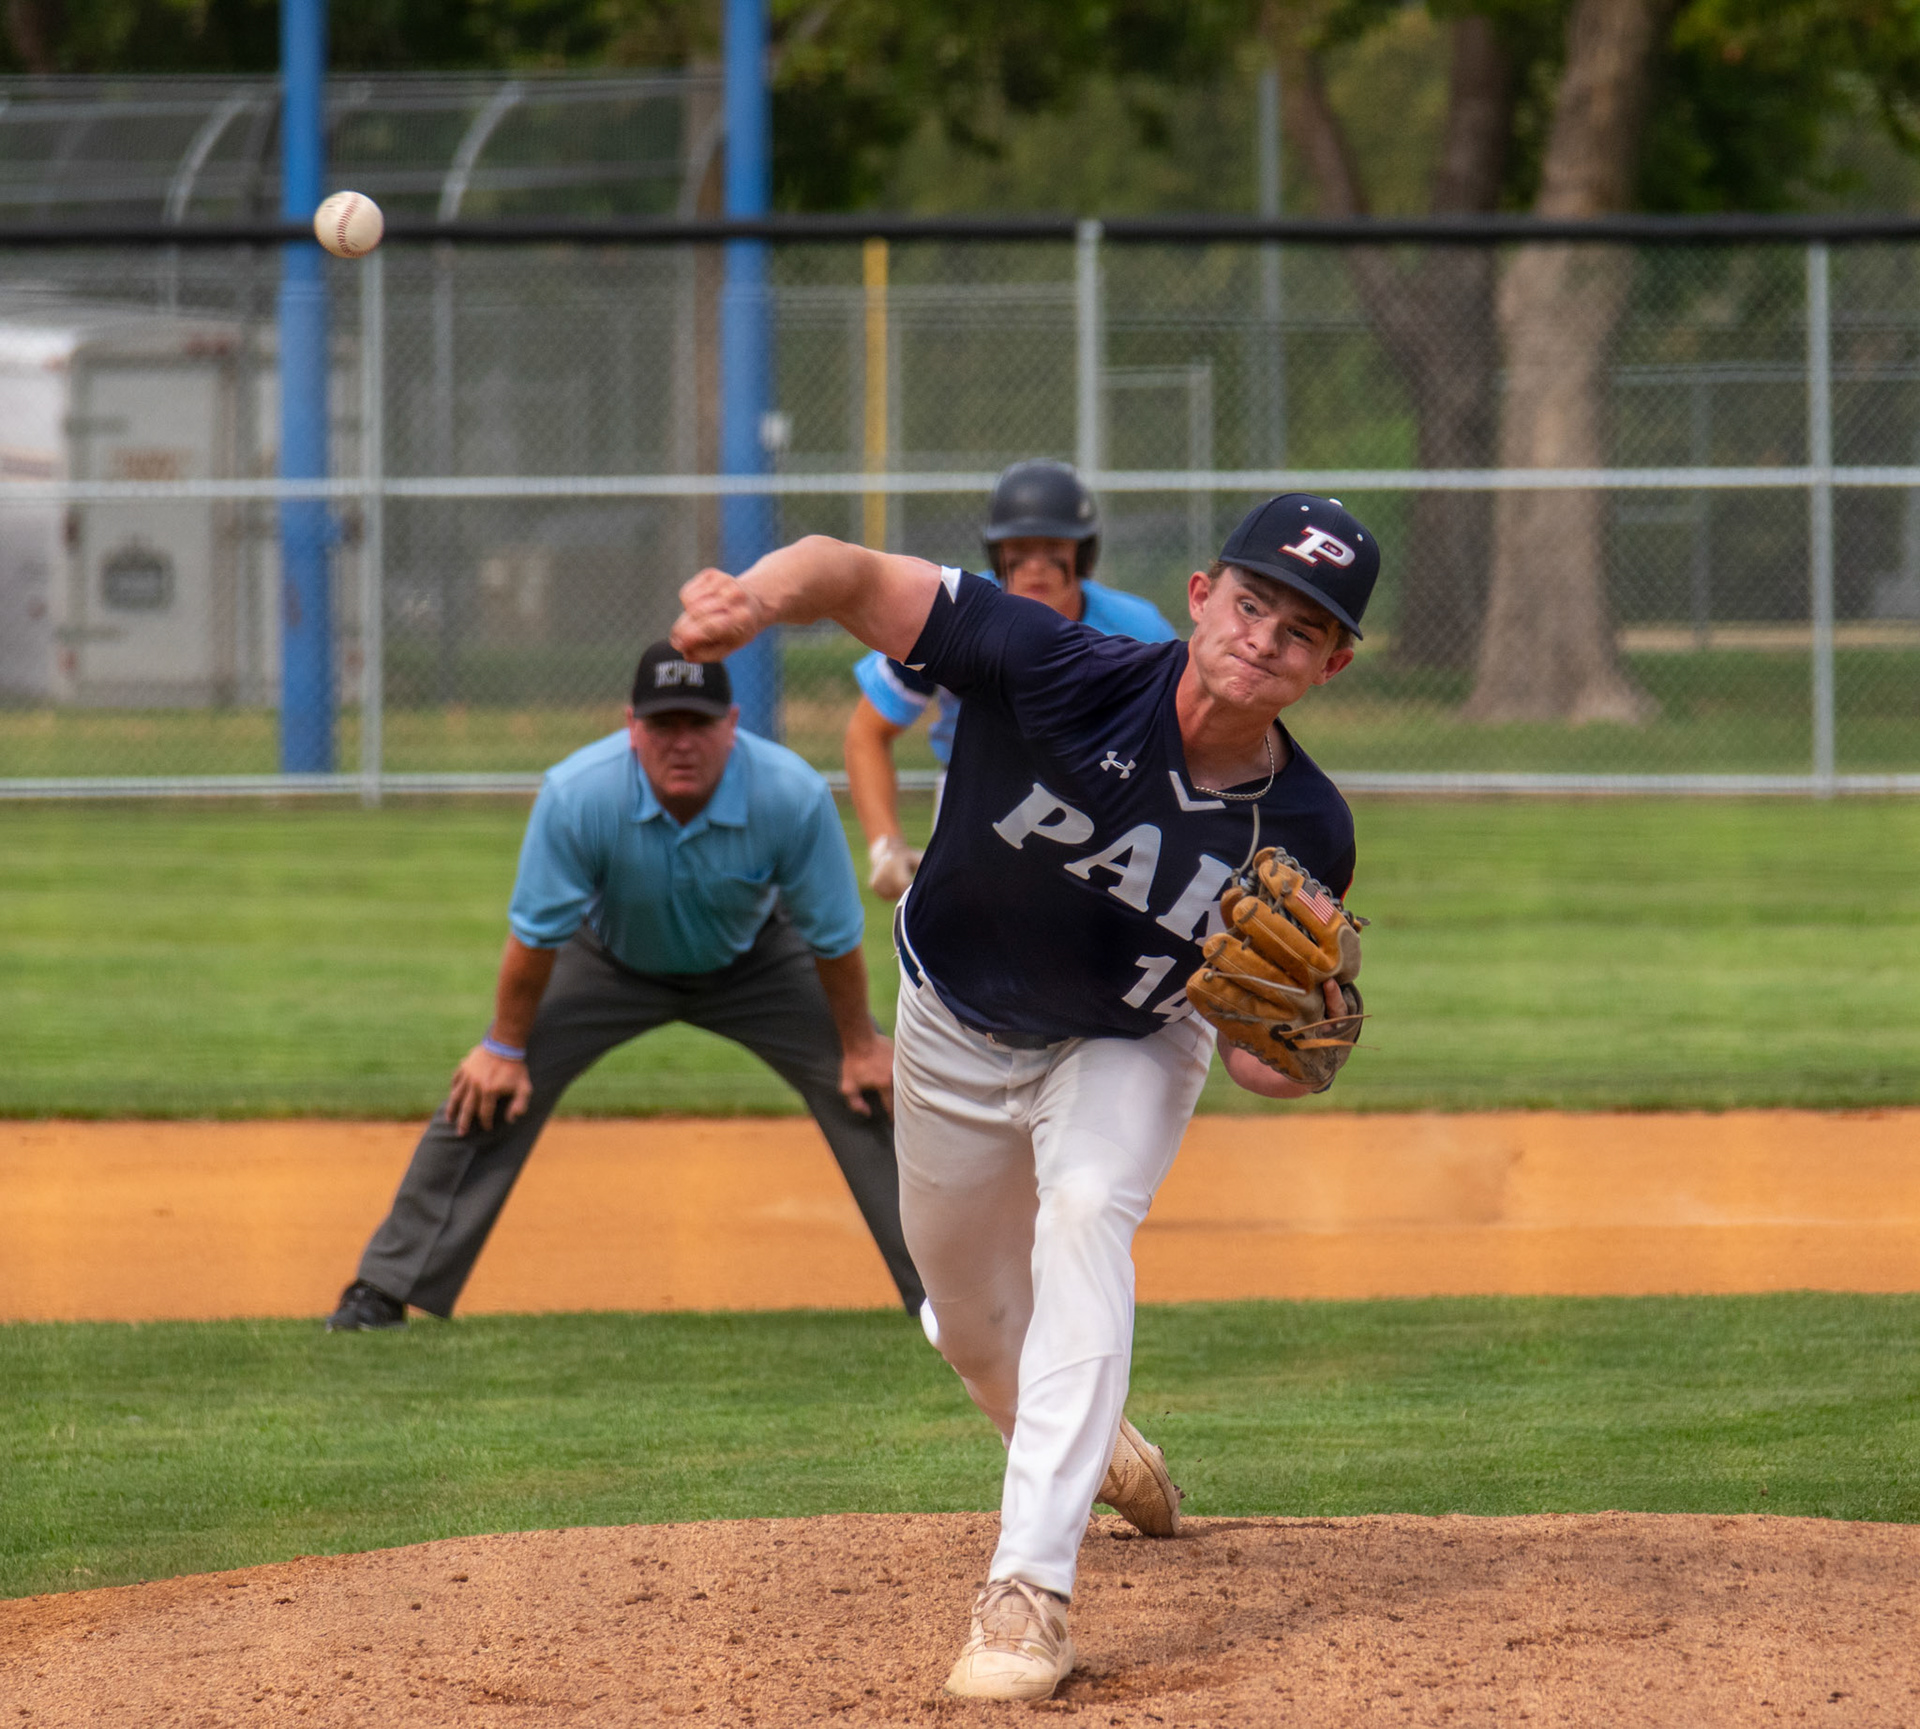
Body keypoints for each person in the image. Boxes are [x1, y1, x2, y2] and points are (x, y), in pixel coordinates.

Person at [671, 494, 1376, 1701]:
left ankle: (1029, 1594)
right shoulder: (1049, 661)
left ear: (1332, 665)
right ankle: (1090, 1437)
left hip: (1125, 1042)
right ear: (1202, 597)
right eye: (1253, 602)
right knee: (970, 1327)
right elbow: (847, 571)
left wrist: (1310, 1050)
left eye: (1302, 630)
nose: (1265, 637)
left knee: (1089, 1209)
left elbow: (1260, 1059)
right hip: (950, 1021)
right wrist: (755, 599)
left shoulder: (1308, 825)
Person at [326, 641, 926, 1335]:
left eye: (699, 723)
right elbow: (535, 937)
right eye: (663, 724)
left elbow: (832, 938)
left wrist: (859, 1045)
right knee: (489, 1089)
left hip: (758, 959)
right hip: (608, 958)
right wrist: (503, 1047)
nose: (681, 742)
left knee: (871, 1089)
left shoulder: (790, 794)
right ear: (630, 726)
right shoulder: (579, 794)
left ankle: (952, 1295)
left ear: (733, 724)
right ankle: (384, 1288)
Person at [846, 460, 1176, 900]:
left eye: (1053, 546)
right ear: (995, 553)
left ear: (1083, 554)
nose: (1036, 565)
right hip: (973, 798)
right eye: (1019, 547)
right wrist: (885, 845)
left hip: (1098, 811)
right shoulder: (952, 615)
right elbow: (868, 732)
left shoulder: (1137, 629)